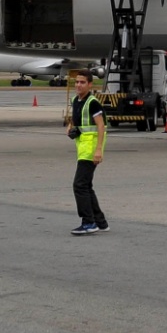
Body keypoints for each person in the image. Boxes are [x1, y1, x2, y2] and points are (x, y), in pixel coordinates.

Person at [66, 73, 107, 235]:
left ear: (90, 84)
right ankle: (100, 221)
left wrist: (98, 150)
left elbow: (101, 126)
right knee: (86, 186)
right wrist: (70, 127)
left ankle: (88, 222)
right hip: (82, 146)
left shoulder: (93, 103)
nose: (78, 85)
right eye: (76, 82)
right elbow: (76, 119)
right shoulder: (76, 100)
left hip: (91, 149)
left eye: (82, 82)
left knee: (79, 185)